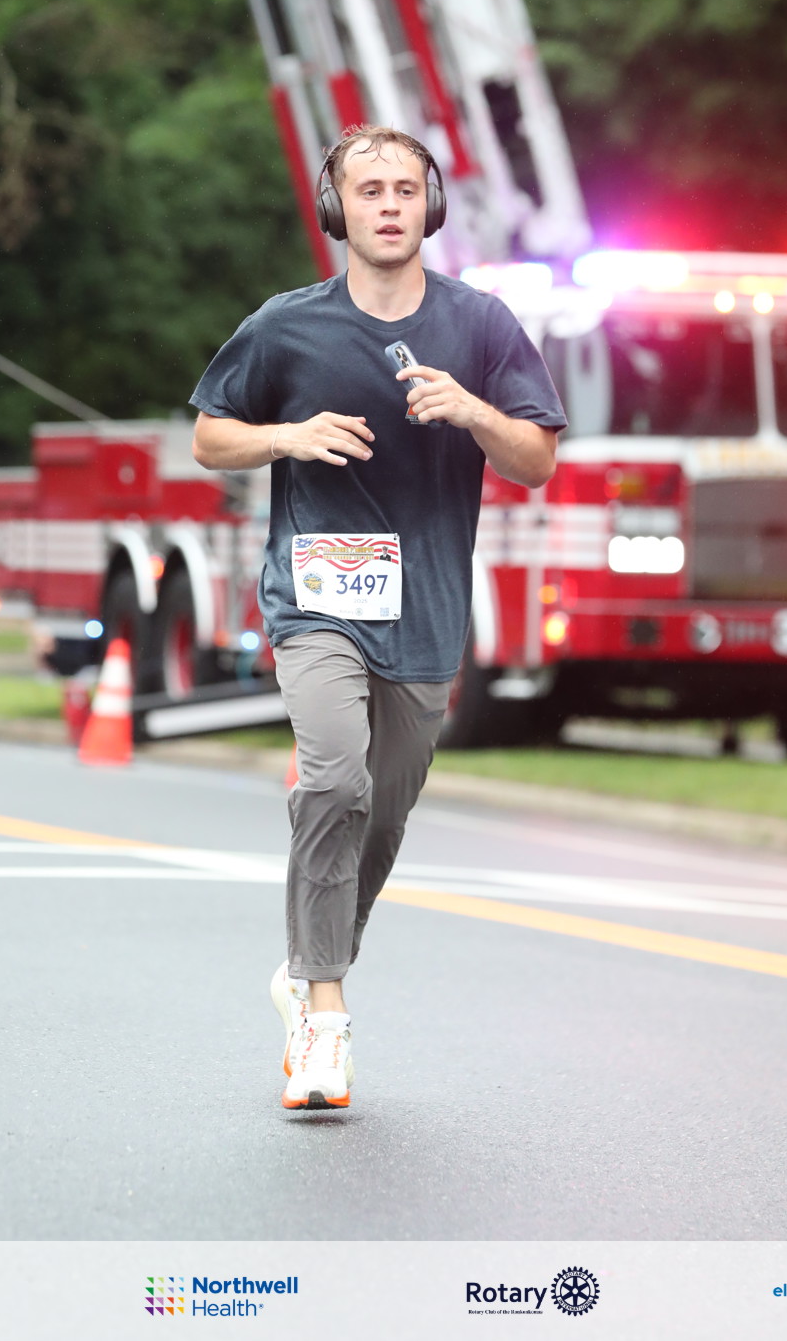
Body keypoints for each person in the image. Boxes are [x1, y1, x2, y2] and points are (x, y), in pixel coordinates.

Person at [190, 125, 567, 1110]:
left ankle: (306, 964)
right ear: (338, 208)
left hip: (427, 610)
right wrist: (288, 436)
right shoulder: (285, 326)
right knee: (334, 777)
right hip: (317, 596)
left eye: (406, 188)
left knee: (383, 813)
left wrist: (473, 411)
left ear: (428, 206)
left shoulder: (481, 326)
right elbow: (210, 438)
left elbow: (535, 460)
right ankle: (324, 1018)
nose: (390, 204)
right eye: (370, 189)